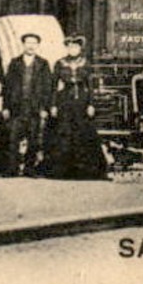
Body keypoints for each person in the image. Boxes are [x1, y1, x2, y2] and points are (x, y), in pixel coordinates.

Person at [45, 36, 110, 180]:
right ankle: (62, 171)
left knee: (84, 132)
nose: (72, 49)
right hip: (65, 101)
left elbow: (90, 86)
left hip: (82, 101)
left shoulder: (86, 63)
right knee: (64, 132)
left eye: (75, 47)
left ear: (80, 48)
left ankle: (87, 171)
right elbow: (53, 86)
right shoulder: (60, 63)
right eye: (69, 47)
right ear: (66, 48)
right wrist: (53, 105)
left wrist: (91, 104)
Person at [1, 31, 54, 177]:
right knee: (13, 138)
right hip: (16, 108)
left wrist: (45, 108)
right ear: (23, 45)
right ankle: (12, 169)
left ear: (37, 46)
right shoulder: (15, 63)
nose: (31, 46)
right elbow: (7, 86)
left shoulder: (43, 64)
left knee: (33, 140)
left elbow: (48, 87)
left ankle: (29, 170)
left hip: (35, 108)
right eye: (28, 43)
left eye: (34, 43)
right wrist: (5, 107)